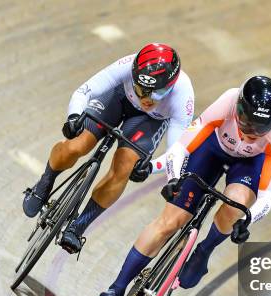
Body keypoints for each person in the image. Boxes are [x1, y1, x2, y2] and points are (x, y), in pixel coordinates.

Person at [94, 76, 271, 296]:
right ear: (238, 110)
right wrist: (173, 179)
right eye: (248, 126)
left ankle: (204, 249)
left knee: (236, 204)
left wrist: (246, 221)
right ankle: (116, 289)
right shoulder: (228, 101)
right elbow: (180, 148)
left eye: (261, 130)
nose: (252, 135)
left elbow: (268, 195)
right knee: (169, 222)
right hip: (212, 150)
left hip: (248, 165)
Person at [22, 43, 194, 254]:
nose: (147, 99)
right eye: (141, 89)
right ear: (134, 75)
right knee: (78, 144)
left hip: (149, 122)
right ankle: (45, 181)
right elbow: (84, 91)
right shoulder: (127, 65)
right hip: (119, 99)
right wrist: (74, 117)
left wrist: (158, 172)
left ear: (171, 85)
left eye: (157, 94)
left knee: (125, 166)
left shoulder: (183, 95)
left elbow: (177, 151)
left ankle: (79, 226)